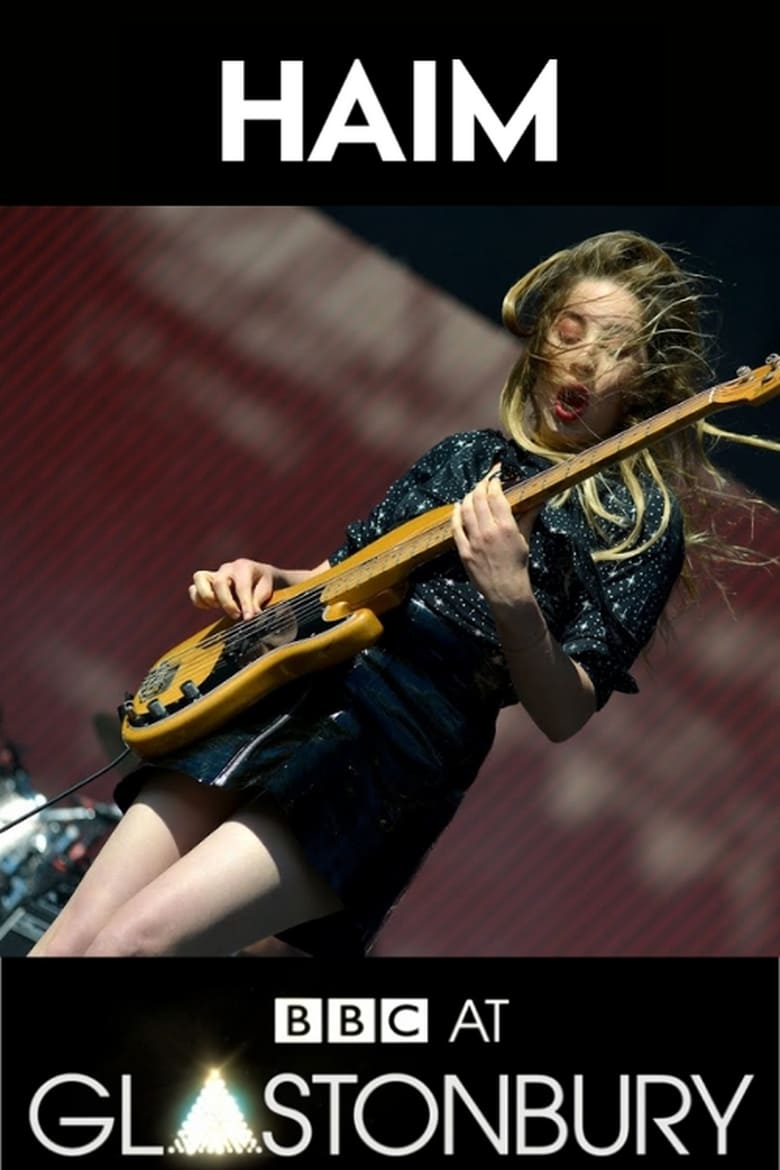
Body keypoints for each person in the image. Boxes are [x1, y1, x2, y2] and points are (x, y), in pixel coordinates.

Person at [28, 229, 779, 959]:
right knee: (69, 943)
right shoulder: (465, 457)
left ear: (645, 379)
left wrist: (511, 595)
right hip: (281, 696)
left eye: (613, 348)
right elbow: (337, 577)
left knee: (133, 944)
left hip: (387, 755)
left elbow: (565, 710)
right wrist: (268, 579)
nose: (582, 359)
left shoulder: (638, 525)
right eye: (570, 329)